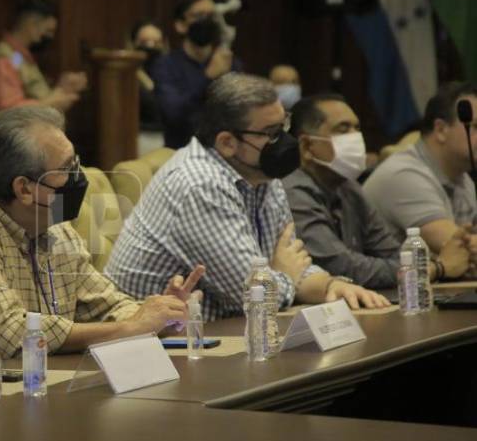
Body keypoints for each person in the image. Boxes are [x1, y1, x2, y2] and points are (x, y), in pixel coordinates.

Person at [0, 105, 204, 361]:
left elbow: (105, 304)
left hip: (32, 387)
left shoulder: (55, 228)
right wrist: (130, 328)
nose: (78, 176)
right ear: (25, 189)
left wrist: (161, 313)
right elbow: (14, 336)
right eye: (68, 168)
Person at [105, 73, 388, 320]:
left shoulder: (262, 174)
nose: (285, 143)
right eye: (271, 133)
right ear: (227, 143)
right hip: (155, 344)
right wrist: (285, 276)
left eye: (284, 127)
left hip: (224, 334)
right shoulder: (198, 185)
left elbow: (293, 262)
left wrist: (330, 286)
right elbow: (256, 297)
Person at [283, 94, 469, 289]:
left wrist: (421, 268)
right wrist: (435, 269)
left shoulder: (349, 188)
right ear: (306, 146)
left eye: (357, 128)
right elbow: (341, 267)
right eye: (343, 129)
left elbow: (394, 253)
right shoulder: (292, 191)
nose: (355, 137)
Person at [364, 82, 477, 256]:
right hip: (385, 282)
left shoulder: (462, 177)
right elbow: (459, 249)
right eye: (475, 127)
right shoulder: (403, 175)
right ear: (440, 130)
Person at [152, 0, 242, 149]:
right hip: (179, 153)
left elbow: (240, 113)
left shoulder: (230, 63)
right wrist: (208, 77)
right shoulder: (166, 65)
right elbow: (174, 115)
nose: (207, 21)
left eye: (212, 15)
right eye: (200, 15)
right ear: (181, 24)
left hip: (225, 154)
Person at [0, 0, 87, 116]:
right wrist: (54, 100)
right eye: (48, 30)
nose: (49, 37)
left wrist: (62, 88)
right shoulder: (3, 59)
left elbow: (31, 89)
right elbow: (7, 112)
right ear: (31, 24)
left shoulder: (20, 56)